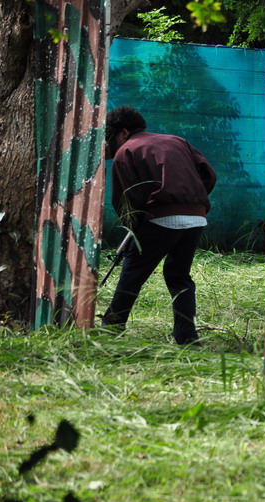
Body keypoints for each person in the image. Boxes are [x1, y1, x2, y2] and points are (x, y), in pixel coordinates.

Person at [100, 106, 217, 345]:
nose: (108, 144)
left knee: (133, 273)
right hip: (197, 217)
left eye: (109, 137)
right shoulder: (177, 141)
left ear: (123, 132)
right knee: (179, 276)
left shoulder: (126, 150)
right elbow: (209, 175)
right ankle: (187, 336)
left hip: (159, 218)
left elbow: (126, 201)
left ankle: (111, 329)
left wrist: (134, 227)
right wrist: (190, 200)